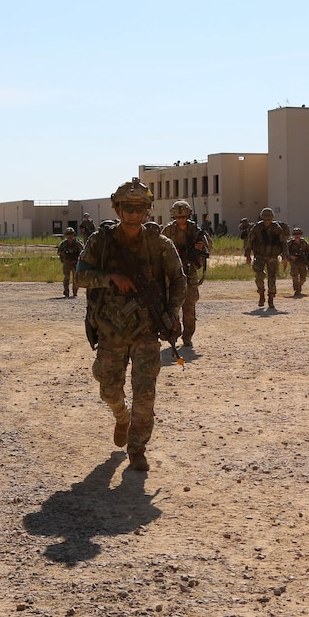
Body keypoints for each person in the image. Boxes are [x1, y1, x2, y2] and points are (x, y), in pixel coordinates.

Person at [75, 178, 186, 471]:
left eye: (139, 208)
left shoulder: (160, 244)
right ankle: (121, 417)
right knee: (108, 389)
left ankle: (137, 449)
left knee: (145, 393)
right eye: (127, 208)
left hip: (146, 330)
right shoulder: (100, 243)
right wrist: (111, 277)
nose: (133, 214)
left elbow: (178, 280)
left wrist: (173, 312)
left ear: (147, 210)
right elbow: (80, 277)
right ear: (117, 208)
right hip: (110, 330)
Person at [160, 200, 212, 347]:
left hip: (190, 271)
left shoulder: (195, 230)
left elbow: (208, 248)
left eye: (183, 217)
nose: (181, 220)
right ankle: (174, 334)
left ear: (188, 215)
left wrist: (202, 247)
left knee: (189, 306)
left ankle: (188, 336)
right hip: (173, 273)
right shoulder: (168, 231)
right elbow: (160, 248)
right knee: (172, 305)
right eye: (178, 217)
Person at [244, 207, 289, 309]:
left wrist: (285, 256)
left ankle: (271, 299)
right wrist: (247, 255)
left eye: (269, 220)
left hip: (272, 256)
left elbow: (283, 243)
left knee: (272, 279)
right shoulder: (257, 228)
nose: (267, 222)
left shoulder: (277, 228)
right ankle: (261, 295)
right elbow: (249, 242)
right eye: (265, 220)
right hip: (260, 255)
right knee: (259, 276)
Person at [57, 227, 83, 298]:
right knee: (66, 277)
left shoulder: (78, 243)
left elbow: (82, 253)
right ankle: (66, 291)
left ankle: (75, 292)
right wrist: (63, 255)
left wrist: (77, 260)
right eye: (68, 234)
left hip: (75, 263)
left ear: (73, 235)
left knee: (75, 278)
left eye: (71, 234)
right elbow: (59, 251)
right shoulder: (63, 244)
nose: (70, 236)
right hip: (67, 262)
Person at [287, 227, 309, 296]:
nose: (297, 236)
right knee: (294, 276)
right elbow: (285, 252)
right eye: (295, 234)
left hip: (302, 261)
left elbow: (308, 252)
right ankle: (297, 290)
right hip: (294, 262)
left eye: (298, 234)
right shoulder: (290, 243)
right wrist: (290, 257)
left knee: (303, 277)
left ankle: (299, 287)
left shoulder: (304, 242)